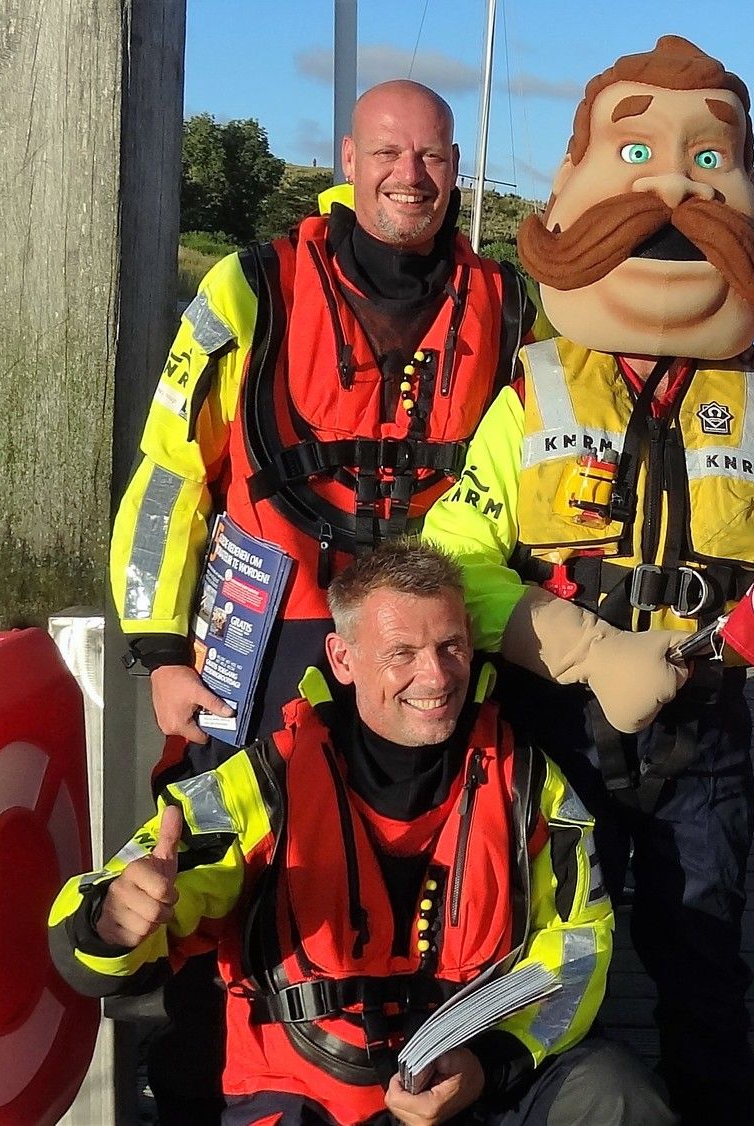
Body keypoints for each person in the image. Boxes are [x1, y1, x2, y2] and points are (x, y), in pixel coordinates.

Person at [421, 36, 754, 1126]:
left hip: (703, 732)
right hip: (556, 731)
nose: (672, 207)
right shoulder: (530, 395)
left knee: (706, 968)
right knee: (549, 967)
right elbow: (454, 559)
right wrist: (589, 650)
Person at [108, 79, 529, 1120]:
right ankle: (211, 1084)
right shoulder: (251, 286)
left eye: (431, 156)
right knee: (229, 854)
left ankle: (424, 1070)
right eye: (388, 152)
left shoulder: (510, 303)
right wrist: (160, 649)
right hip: (275, 627)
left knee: (437, 847)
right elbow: (170, 469)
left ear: (456, 169)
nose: (409, 175)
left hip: (428, 637)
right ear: (349, 160)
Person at [50, 540, 674, 1126]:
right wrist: (110, 924)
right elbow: (97, 926)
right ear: (343, 659)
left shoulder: (532, 786)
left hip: (474, 1082)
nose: (436, 676)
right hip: (305, 1096)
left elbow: (578, 945)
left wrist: (490, 1066)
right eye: (402, 653)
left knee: (615, 1096)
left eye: (451, 646)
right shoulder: (263, 784)